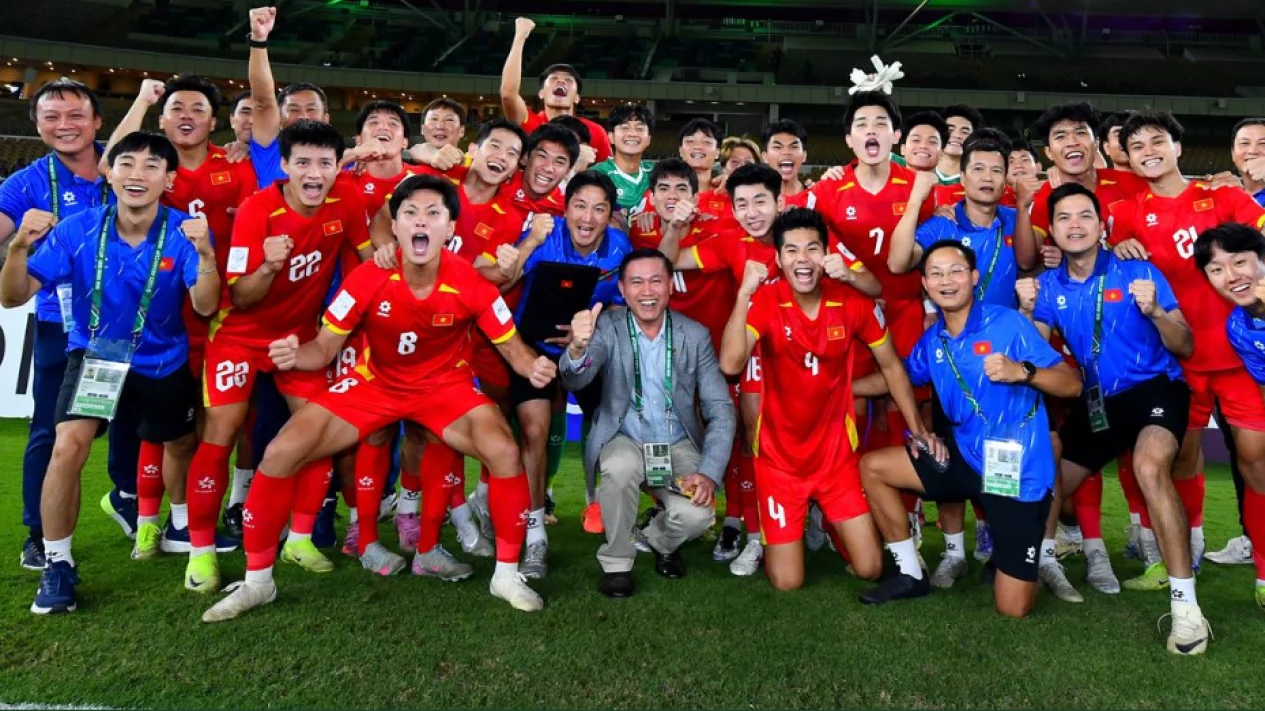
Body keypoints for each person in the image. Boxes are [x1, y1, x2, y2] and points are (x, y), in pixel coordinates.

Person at [200, 174, 554, 622]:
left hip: (443, 388)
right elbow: (324, 350)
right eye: (410, 213)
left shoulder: (471, 283)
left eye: (433, 214)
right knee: (279, 452)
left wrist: (536, 367)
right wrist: (296, 353)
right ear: (397, 226)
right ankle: (258, 583)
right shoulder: (369, 276)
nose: (420, 221)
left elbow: (514, 351)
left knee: (504, 452)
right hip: (375, 386)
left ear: (450, 229)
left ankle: (505, 575)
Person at [0, 131, 220, 613]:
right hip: (98, 356)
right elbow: (12, 297)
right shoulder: (77, 229)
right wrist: (17, 248)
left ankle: (179, 521)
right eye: (126, 164)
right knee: (68, 446)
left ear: (169, 178)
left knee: (180, 442)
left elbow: (205, 306)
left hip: (163, 362)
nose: (137, 175)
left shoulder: (184, 233)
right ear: (110, 172)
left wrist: (206, 257)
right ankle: (58, 564)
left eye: (150, 166)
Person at [183, 120, 371, 594]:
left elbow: (367, 263)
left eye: (324, 163)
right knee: (219, 436)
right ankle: (201, 551)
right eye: (303, 162)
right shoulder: (256, 209)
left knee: (318, 430)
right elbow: (242, 297)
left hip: (300, 338)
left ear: (337, 166)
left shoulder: (346, 199)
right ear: (283, 166)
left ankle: (300, 538)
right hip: (239, 336)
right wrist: (269, 264)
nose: (314, 173)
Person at [1023, 182, 1213, 652]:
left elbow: (1185, 344)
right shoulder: (1048, 287)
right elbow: (1035, 352)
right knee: (1048, 474)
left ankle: (1187, 608)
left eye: (1085, 215)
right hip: (1098, 402)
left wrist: (1154, 312)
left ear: (1102, 225)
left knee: (1150, 467)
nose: (1075, 225)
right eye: (1064, 218)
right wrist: (1027, 312)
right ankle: (1045, 558)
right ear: (1052, 230)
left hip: (1154, 389)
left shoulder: (1138, 271)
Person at [858, 240, 1080, 619]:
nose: (947, 280)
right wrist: (840, 388)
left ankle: (1017, 556)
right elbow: (898, 379)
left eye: (956, 271)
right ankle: (910, 575)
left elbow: (1071, 383)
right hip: (965, 456)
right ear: (925, 285)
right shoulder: (934, 340)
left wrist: (1022, 372)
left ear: (974, 277)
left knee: (1012, 609)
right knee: (873, 467)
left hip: (1016, 470)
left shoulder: (1008, 324)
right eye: (936, 274)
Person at [717, 208, 918, 590]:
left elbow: (892, 368)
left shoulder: (852, 302)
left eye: (812, 249)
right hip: (779, 462)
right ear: (778, 259)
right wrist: (744, 293)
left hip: (836, 460)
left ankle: (818, 520)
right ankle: (789, 531)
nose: (802, 259)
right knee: (787, 582)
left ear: (826, 255)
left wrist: (919, 429)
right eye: (791, 251)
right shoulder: (765, 300)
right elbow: (731, 362)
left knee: (871, 569)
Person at [101, 75, 258, 555]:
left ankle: (195, 515)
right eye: (176, 108)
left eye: (197, 109)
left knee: (213, 421)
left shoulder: (237, 167)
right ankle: (151, 518)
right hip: (160, 315)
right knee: (161, 420)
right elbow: (111, 165)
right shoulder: (147, 170)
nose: (186, 116)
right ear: (162, 117)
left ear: (215, 120)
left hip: (221, 313)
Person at [1109, 110, 1265, 587]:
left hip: (1239, 359)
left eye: (1158, 141)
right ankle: (1189, 544)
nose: (1148, 151)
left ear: (1178, 146)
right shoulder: (1128, 212)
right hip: (1176, 362)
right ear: (1129, 160)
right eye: (1137, 146)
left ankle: (1263, 572)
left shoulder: (1224, 196)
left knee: (1255, 461)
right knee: (1181, 458)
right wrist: (1117, 248)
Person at [0, 78, 143, 569]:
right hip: (63, 327)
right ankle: (40, 533)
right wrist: (19, 240)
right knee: (54, 430)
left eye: (76, 115)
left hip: (133, 319)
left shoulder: (125, 163)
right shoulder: (25, 184)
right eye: (52, 117)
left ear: (98, 122)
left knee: (138, 415)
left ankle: (127, 496)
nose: (65, 126)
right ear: (37, 125)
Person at [559, 248, 735, 596]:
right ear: (622, 290)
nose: (647, 291)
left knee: (697, 516)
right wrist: (577, 349)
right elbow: (575, 380)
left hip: (677, 441)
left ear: (670, 285)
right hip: (624, 436)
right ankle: (617, 563)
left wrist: (709, 471)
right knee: (619, 466)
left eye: (656, 280)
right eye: (636, 282)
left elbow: (721, 408)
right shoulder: (607, 327)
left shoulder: (695, 335)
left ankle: (660, 542)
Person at [503, 170, 633, 575]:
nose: (588, 217)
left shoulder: (620, 248)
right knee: (535, 432)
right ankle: (535, 533)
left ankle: (608, 512)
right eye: (580, 205)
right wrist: (527, 243)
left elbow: (618, 306)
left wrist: (589, 338)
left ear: (611, 215)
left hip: (586, 354)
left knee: (610, 425)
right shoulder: (544, 237)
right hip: (534, 351)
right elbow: (505, 278)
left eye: (599, 208)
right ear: (565, 207)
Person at [1192, 221, 1265, 608]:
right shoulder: (1239, 326)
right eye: (1217, 270)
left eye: (1240, 262)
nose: (1232, 277)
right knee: (1254, 466)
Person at [1206, 118, 1265, 567]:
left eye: (1262, 143)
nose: (1252, 150)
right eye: (1243, 143)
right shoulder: (1226, 201)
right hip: (1242, 341)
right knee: (1248, 455)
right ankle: (1254, 537)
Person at [500, 17, 612, 164]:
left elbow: (609, 174)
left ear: (577, 98)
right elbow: (508, 94)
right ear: (541, 93)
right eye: (553, 79)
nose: (560, 81)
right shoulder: (529, 120)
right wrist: (520, 37)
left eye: (568, 80)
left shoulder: (595, 131)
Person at [244, 5, 331, 188]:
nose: (303, 116)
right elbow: (263, 102)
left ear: (326, 119)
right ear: (279, 120)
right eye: (293, 109)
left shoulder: (346, 161)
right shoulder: (269, 150)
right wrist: (259, 40)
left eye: (311, 109)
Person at [592, 103, 655, 214]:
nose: (632, 133)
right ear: (611, 137)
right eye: (624, 128)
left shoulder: (658, 173)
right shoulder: (597, 174)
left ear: (649, 139)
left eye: (640, 128)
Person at [761, 119, 813, 207]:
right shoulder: (756, 200)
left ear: (804, 156)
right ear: (765, 156)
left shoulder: (816, 197)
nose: (786, 152)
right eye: (777, 147)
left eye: (794, 147)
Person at [934, 104, 984, 185]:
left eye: (965, 132)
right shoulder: (916, 168)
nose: (957, 135)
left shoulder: (978, 181)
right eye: (950, 130)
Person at [678, 118, 723, 189]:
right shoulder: (659, 195)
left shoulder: (730, 194)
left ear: (717, 152)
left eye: (707, 142)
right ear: (680, 151)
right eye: (690, 141)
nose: (698, 146)